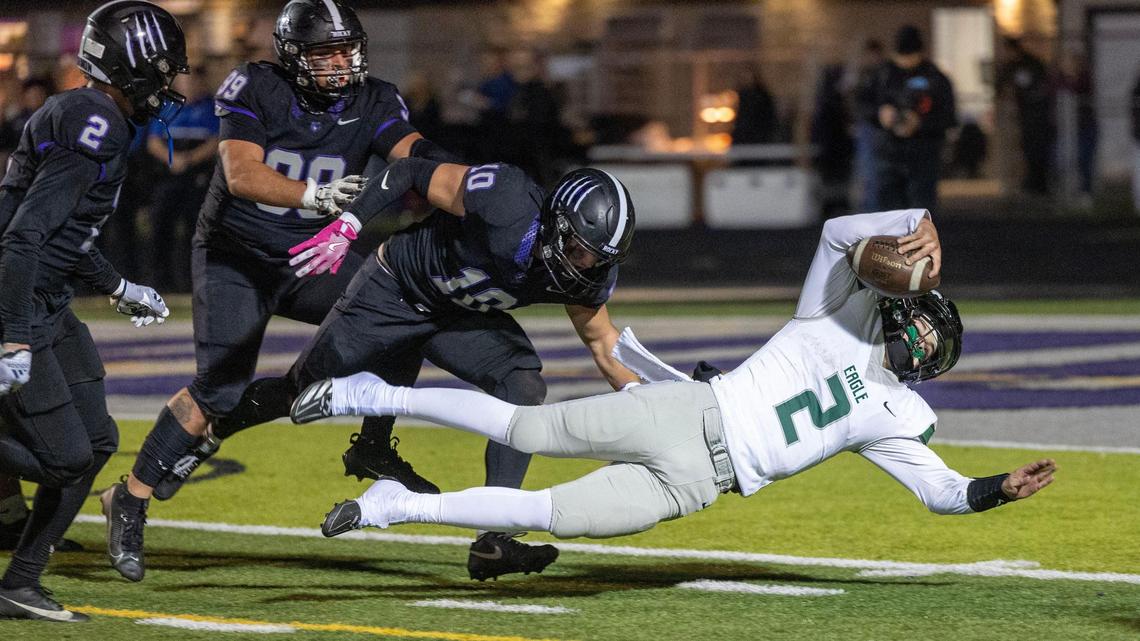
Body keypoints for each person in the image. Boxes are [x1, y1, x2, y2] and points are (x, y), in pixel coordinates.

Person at [296, 209, 1055, 547]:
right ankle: (375, 395)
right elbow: (838, 235)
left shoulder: (900, 417)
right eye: (921, 319)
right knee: (525, 427)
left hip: (696, 486)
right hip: (686, 412)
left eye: (932, 340)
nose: (918, 336)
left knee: (545, 513)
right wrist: (919, 221)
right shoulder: (837, 314)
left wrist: (998, 489)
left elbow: (941, 492)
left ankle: (391, 509)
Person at [100, 0, 455, 584]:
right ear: (293, 56)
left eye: (347, 49)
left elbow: (412, 154)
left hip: (311, 258)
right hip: (236, 256)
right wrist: (317, 198)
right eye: (325, 52)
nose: (341, 63)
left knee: (403, 310)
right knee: (218, 388)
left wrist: (465, 180)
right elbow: (241, 175)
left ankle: (373, 444)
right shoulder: (255, 85)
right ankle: (129, 499)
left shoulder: (374, 97)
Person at [155, 158, 639, 581]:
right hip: (394, 290)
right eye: (580, 250)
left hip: (456, 316)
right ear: (554, 225)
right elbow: (409, 172)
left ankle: (494, 536)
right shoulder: (507, 200)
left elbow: (603, 343)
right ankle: (211, 432)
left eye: (600, 258)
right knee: (300, 391)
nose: (587, 265)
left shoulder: (586, 274)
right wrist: (348, 227)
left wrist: (652, 403)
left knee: (523, 384)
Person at [0, 0, 187, 621]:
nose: (168, 83)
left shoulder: (98, 114)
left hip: (45, 297)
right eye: (160, 70)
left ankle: (19, 583)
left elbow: (63, 237)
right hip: (18, 300)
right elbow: (23, 238)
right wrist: (14, 337)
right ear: (129, 67)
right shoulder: (94, 122)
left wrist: (116, 284)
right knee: (64, 457)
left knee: (98, 440)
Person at [143, 69, 219, 291]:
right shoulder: (168, 108)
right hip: (168, 176)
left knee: (193, 231)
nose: (190, 87)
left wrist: (188, 159)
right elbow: (153, 141)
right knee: (160, 228)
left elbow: (215, 141)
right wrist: (173, 159)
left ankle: (188, 282)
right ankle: (158, 281)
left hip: (197, 177)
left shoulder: (210, 108)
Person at [872, 26, 956, 210]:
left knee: (920, 212)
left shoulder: (935, 77)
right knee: (889, 213)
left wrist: (920, 123)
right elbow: (862, 105)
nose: (905, 62)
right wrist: (880, 115)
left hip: (923, 154)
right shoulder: (883, 74)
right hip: (889, 154)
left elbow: (949, 117)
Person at [997, 38, 1055, 195]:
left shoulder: (1030, 65)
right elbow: (1002, 86)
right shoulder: (1013, 67)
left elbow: (1038, 87)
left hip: (1036, 116)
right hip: (1024, 115)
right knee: (1027, 150)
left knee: (1036, 150)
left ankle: (1038, 184)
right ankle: (1030, 182)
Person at [852, 39, 885, 210]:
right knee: (867, 172)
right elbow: (858, 101)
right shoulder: (864, 75)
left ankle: (874, 209)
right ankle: (868, 209)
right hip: (868, 126)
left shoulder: (883, 74)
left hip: (878, 128)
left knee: (875, 172)